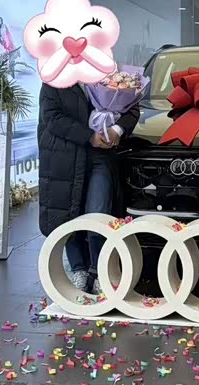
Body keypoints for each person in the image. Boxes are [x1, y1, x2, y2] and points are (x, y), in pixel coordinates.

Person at [37, 82, 139, 292]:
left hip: (101, 156)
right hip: (65, 158)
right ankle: (79, 270)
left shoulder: (109, 76)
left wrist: (117, 129)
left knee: (98, 212)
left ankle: (101, 270)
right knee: (69, 212)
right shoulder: (56, 79)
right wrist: (89, 136)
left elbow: (132, 108)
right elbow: (52, 117)